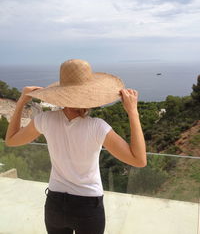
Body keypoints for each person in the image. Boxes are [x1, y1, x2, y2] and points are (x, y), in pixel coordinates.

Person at [5, 59, 147, 234]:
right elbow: (139, 160)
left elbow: (10, 140)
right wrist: (133, 112)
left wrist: (21, 101)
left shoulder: (45, 120)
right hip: (88, 207)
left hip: (55, 204)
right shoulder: (97, 127)